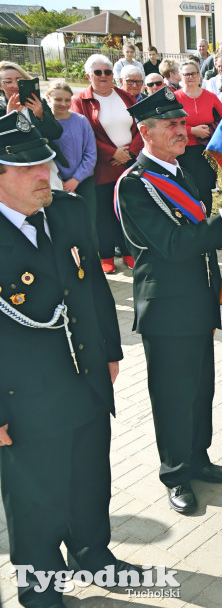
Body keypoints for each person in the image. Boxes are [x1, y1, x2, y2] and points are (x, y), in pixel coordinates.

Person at [0, 112, 144, 608]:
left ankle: (92, 554)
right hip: (23, 395)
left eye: (46, 162)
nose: (46, 174)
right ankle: (39, 589)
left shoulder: (67, 209)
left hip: (84, 376)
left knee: (89, 477)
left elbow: (93, 287)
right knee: (35, 497)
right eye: (29, 168)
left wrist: (109, 350)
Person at [115, 88, 222, 514]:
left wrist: (215, 297)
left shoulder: (179, 172)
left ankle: (198, 458)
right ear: (145, 132)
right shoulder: (134, 185)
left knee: (199, 390)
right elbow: (172, 244)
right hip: (166, 308)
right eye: (170, 125)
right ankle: (175, 473)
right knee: (173, 395)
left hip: (196, 302)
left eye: (180, 123)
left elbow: (200, 250)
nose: (181, 131)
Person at [71, 54, 142, 273]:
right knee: (104, 213)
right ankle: (107, 255)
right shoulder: (79, 100)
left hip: (128, 163)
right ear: (88, 75)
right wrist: (112, 153)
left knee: (128, 210)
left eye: (108, 72)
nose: (103, 76)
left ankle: (129, 252)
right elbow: (84, 134)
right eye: (98, 72)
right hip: (102, 166)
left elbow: (141, 125)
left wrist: (129, 152)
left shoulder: (125, 96)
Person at [47, 82, 97, 233]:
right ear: (48, 98)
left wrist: (75, 179)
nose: (63, 104)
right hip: (55, 183)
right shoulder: (43, 124)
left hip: (82, 181)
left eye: (67, 100)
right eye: (58, 99)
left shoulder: (81, 121)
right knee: (63, 226)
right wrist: (58, 181)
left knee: (87, 224)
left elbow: (90, 154)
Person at [175, 61, 222, 214]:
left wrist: (211, 130)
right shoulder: (175, 98)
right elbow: (169, 124)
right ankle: (190, 221)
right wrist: (191, 130)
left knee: (204, 187)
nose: (190, 77)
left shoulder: (211, 97)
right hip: (182, 150)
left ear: (199, 75)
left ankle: (206, 222)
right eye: (186, 74)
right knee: (186, 188)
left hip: (205, 150)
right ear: (181, 77)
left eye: (193, 73)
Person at [1, 61, 64, 146]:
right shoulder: (1, 107)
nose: (15, 85)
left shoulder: (38, 102)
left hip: (42, 155)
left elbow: (56, 134)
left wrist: (41, 115)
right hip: (13, 158)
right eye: (8, 82)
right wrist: (9, 117)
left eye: (19, 80)